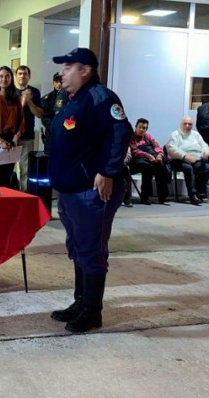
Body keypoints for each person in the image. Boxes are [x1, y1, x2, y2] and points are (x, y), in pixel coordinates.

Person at [48, 47, 132, 333]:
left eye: (68, 66)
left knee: (91, 249)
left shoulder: (100, 98)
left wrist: (108, 171)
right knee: (77, 248)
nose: (62, 71)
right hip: (69, 188)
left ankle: (92, 312)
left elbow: (120, 134)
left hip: (92, 190)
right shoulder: (67, 98)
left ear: (85, 70)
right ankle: (80, 302)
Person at [166, 116, 209, 206]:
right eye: (185, 123)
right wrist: (185, 156)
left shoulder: (196, 134)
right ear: (181, 124)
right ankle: (192, 195)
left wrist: (205, 152)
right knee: (188, 168)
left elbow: (204, 145)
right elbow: (170, 148)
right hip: (179, 159)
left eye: (190, 124)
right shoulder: (175, 134)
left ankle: (199, 192)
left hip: (196, 159)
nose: (187, 126)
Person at [14, 65, 43, 190]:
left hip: (27, 136)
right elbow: (15, 112)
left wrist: (30, 100)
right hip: (10, 136)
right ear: (15, 76)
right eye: (19, 73)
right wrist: (23, 100)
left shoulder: (34, 92)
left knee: (25, 168)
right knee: (7, 167)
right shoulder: (10, 91)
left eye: (25, 74)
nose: (22, 76)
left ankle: (24, 193)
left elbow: (39, 114)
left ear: (29, 76)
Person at [129, 117, 170, 205]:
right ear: (136, 127)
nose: (141, 129)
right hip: (136, 160)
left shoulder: (148, 136)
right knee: (148, 167)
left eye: (144, 128)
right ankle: (145, 197)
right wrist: (148, 156)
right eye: (140, 127)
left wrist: (159, 155)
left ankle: (163, 196)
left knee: (160, 166)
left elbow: (157, 146)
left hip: (151, 158)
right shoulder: (131, 137)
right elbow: (135, 151)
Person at [40, 72, 66, 155]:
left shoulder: (71, 96)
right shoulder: (47, 98)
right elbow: (44, 118)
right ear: (53, 83)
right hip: (52, 135)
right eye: (56, 81)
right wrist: (56, 127)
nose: (59, 84)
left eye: (61, 82)